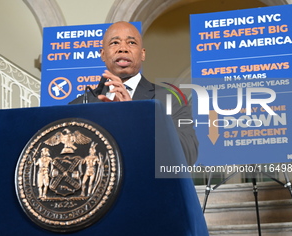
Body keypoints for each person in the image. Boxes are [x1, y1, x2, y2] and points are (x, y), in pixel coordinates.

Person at [70, 21, 198, 165]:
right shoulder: (79, 105)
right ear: (103, 54)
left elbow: (188, 154)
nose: (123, 48)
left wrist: (137, 116)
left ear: (142, 54)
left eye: (131, 42)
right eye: (115, 43)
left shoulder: (169, 99)